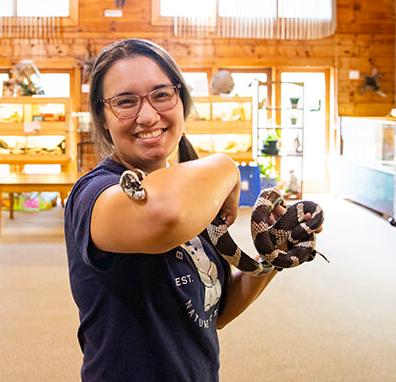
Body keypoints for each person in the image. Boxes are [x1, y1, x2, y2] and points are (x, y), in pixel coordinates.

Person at [64, 39, 320, 381]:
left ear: (181, 101)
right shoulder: (92, 196)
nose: (148, 115)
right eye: (125, 102)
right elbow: (168, 215)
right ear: (103, 117)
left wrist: (275, 254)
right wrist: (228, 166)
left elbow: (214, 311)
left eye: (161, 95)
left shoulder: (194, 194)